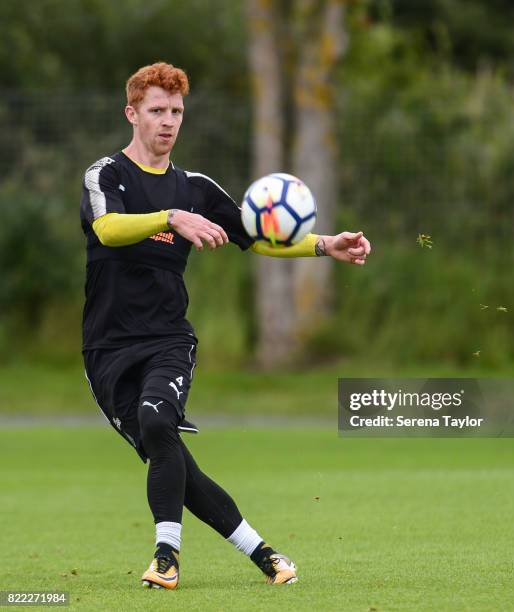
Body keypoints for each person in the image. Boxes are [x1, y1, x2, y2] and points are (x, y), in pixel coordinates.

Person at [80, 62, 371, 591]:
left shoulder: (194, 187)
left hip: (168, 339)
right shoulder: (107, 175)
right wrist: (170, 218)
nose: (168, 121)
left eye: (176, 112)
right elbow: (107, 228)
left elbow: (254, 235)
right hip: (105, 350)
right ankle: (264, 553)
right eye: (156, 111)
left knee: (157, 422)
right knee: (171, 458)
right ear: (132, 113)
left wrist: (325, 244)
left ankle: (166, 556)